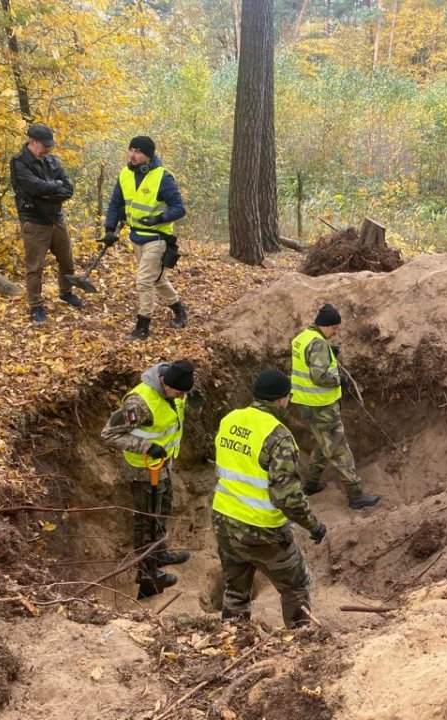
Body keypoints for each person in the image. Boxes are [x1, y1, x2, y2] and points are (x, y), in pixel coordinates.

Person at [211, 368, 326, 627]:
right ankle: (302, 642)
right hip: (261, 529)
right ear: (281, 399)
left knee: (236, 589)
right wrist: (313, 526)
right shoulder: (279, 437)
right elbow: (287, 497)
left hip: (224, 520)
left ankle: (232, 639)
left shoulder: (230, 419)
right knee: (296, 585)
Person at [100, 360, 201, 596]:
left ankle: (159, 552)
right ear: (165, 383)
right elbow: (108, 435)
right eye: (178, 393)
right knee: (146, 520)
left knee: (162, 510)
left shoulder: (176, 391)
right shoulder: (139, 403)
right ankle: (147, 573)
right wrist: (146, 446)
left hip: (164, 466)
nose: (181, 397)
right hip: (143, 471)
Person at [290, 303, 380, 510]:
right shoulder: (319, 344)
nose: (337, 331)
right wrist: (338, 379)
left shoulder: (301, 338)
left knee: (324, 443)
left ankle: (311, 484)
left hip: (305, 404)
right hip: (321, 406)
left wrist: (330, 354)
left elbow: (307, 364)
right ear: (325, 326)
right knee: (339, 449)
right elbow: (319, 376)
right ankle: (356, 495)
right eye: (335, 327)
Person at [102, 136, 188, 341]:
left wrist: (159, 218)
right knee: (157, 280)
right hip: (136, 236)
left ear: (149, 156)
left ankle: (142, 327)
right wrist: (109, 229)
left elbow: (179, 209)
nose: (133, 155)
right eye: (131, 150)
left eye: (138, 151)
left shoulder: (163, 177)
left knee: (144, 281)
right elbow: (115, 203)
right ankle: (179, 310)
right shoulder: (124, 174)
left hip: (158, 237)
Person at [9, 123, 81, 324]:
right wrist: (53, 188)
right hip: (34, 221)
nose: (49, 148)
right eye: (45, 145)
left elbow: (68, 188)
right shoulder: (19, 162)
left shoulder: (53, 161)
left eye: (50, 144)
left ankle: (66, 292)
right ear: (32, 142)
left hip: (56, 219)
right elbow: (33, 187)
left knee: (67, 261)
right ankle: (36, 306)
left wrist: (48, 192)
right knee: (35, 267)